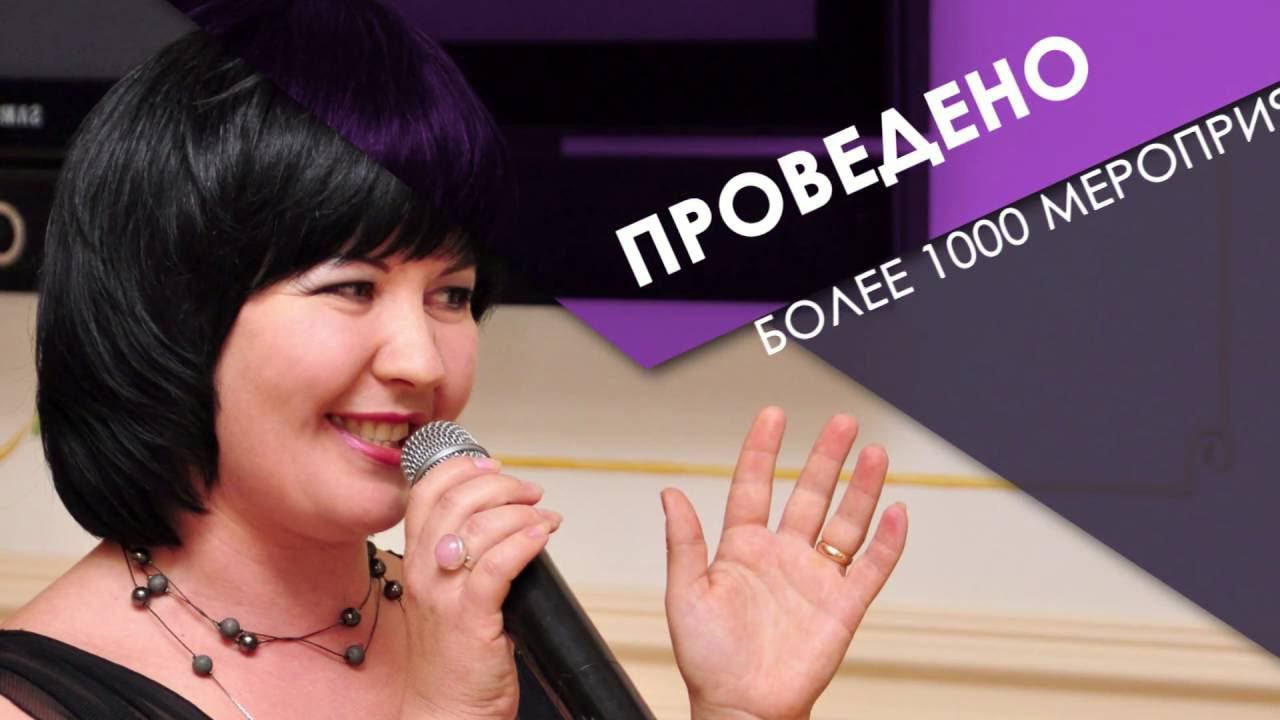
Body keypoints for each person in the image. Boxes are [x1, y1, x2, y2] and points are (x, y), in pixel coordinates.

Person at [0, 2, 908, 718]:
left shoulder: (487, 624)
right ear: (172, 309)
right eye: (352, 287)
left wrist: (738, 713)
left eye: (452, 294)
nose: (422, 361)